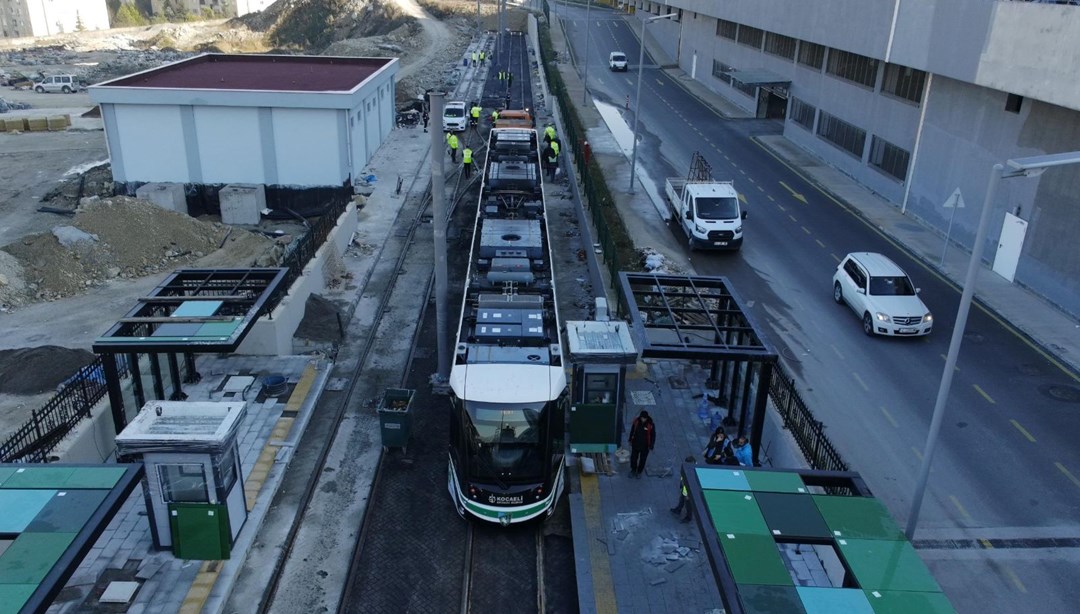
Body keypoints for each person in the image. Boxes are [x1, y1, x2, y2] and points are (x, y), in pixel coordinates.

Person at [627, 410, 656, 478]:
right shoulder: (636, 422)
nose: (643, 419)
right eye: (642, 418)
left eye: (644, 418)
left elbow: (653, 435)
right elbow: (632, 431)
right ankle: (633, 470)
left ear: (646, 418)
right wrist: (630, 439)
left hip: (645, 446)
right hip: (635, 444)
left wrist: (651, 445)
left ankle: (639, 471)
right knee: (633, 458)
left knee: (642, 460)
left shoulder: (650, 425)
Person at [670, 455, 696, 523]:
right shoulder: (688, 467)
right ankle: (678, 510)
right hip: (684, 490)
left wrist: (688, 495)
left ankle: (688, 517)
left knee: (689, 506)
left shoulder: (694, 472)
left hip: (689, 493)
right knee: (681, 500)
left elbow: (693, 486)